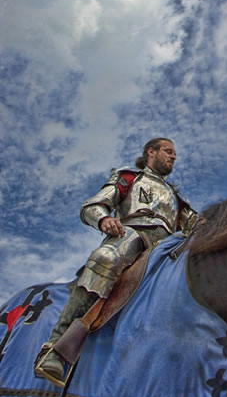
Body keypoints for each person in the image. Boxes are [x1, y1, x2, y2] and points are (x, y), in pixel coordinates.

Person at [35, 138, 199, 384]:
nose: (174, 157)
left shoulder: (177, 197)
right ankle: (56, 349)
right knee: (105, 258)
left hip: (168, 245)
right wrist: (103, 220)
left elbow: (196, 225)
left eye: (175, 153)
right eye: (168, 151)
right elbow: (94, 205)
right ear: (150, 152)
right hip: (132, 232)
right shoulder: (129, 177)